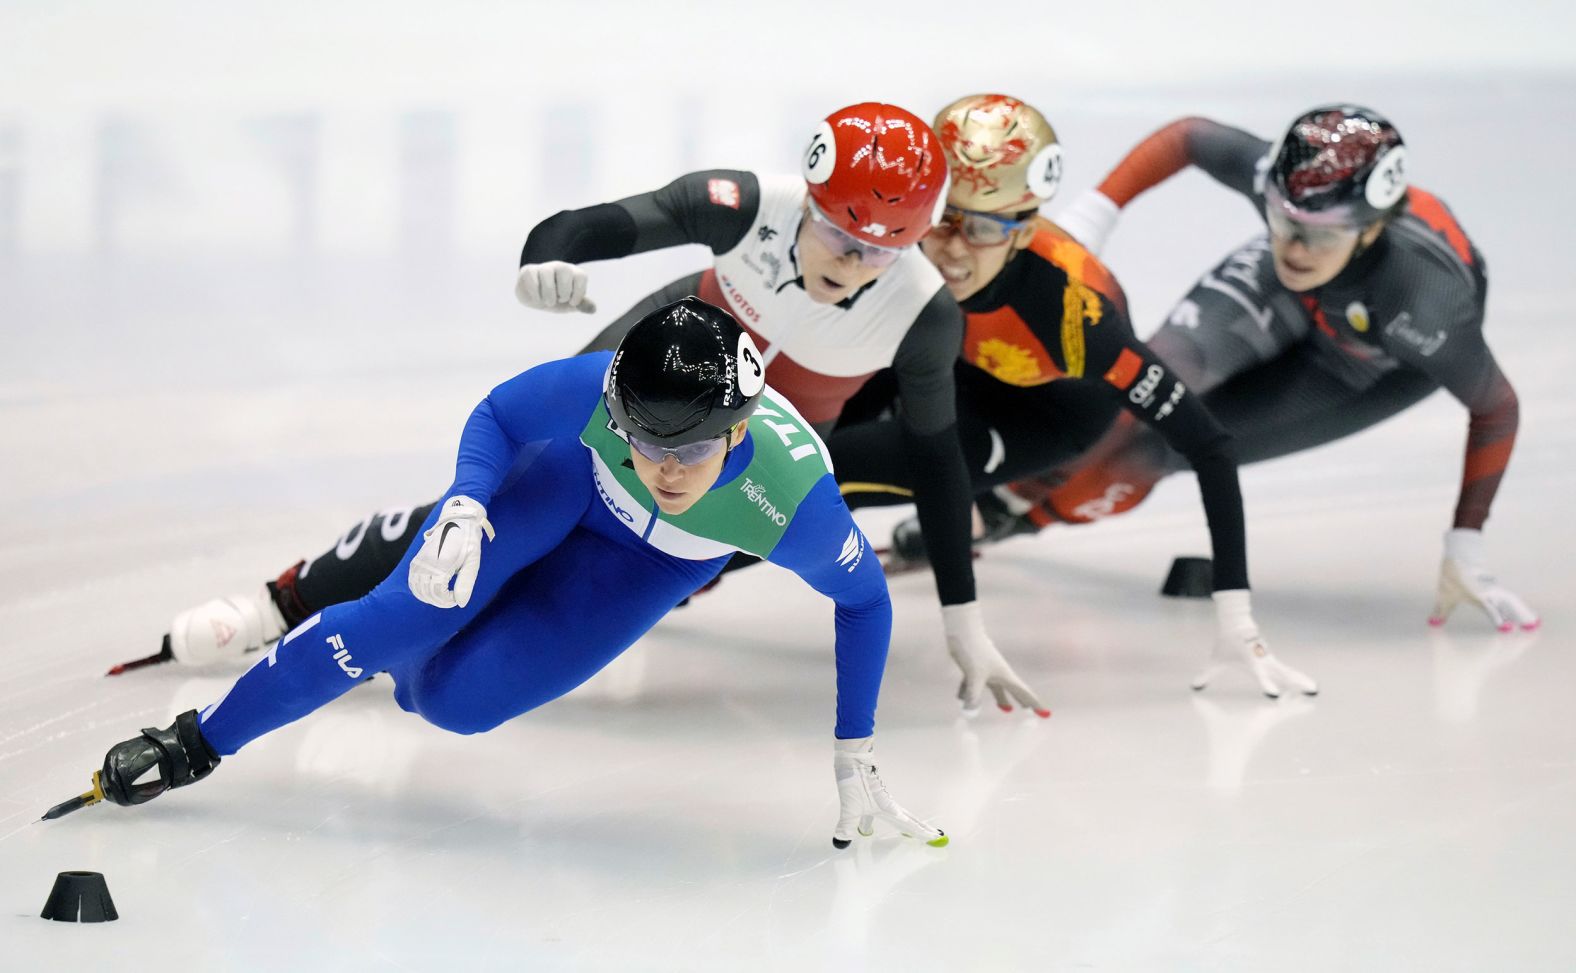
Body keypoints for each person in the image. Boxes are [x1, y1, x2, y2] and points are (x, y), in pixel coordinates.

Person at [125, 102, 1046, 716]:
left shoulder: (924, 315)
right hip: (645, 365)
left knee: (614, 564)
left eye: (875, 254)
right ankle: (281, 602)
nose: (847, 263)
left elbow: (938, 460)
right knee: (492, 503)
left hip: (736, 456)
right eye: (836, 233)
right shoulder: (751, 204)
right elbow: (598, 223)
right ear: (807, 196)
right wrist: (544, 256)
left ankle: (443, 649)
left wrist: (961, 613)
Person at [58, 298, 946, 850]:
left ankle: (422, 639)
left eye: (692, 450)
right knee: (394, 620)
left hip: (647, 565)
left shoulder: (791, 504)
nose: (664, 469)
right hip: (566, 485)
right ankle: (197, 740)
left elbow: (865, 604)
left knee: (450, 701)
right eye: (644, 440)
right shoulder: (600, 394)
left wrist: (853, 746)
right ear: (618, 411)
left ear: (741, 432)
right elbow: (498, 415)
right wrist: (465, 503)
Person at [831, 94, 1315, 698]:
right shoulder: (912, 236)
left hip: (1044, 416)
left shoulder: (1074, 316)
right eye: (943, 218)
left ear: (1026, 226)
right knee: (801, 427)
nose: (953, 247)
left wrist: (1236, 615)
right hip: (954, 354)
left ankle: (692, 569)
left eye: (982, 226)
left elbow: (1209, 444)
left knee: (838, 468)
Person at [988, 104, 1537, 633]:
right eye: (1281, 218)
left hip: (1364, 364)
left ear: (1372, 228)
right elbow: (1187, 136)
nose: (1294, 247)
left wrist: (1466, 542)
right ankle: (998, 492)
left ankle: (1017, 523)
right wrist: (1095, 214)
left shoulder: (1424, 304)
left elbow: (1497, 409)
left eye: (1318, 233)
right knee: (1144, 383)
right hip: (1290, 295)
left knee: (1155, 451)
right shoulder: (1301, 191)